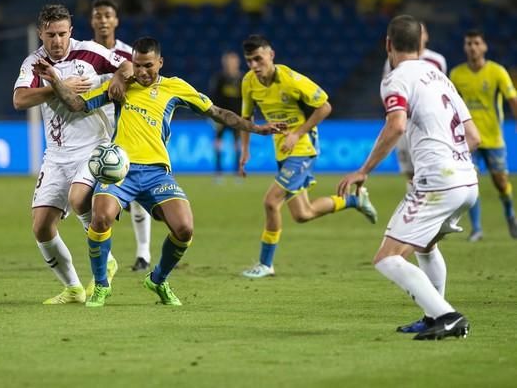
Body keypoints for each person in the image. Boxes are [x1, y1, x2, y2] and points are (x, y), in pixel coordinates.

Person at [33, 36, 284, 307]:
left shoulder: (175, 88)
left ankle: (158, 279)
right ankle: (101, 287)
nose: (142, 72)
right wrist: (56, 80)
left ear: (160, 63)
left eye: (148, 66)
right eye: (137, 65)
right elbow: (77, 104)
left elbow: (217, 112)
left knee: (184, 228)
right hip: (121, 171)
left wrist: (256, 129)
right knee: (101, 217)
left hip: (157, 173)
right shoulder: (120, 87)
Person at [337, 15, 480, 340]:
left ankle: (447, 316)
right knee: (426, 246)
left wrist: (363, 170)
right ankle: (433, 316)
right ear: (421, 44)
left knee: (386, 259)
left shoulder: (396, 77)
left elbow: (396, 125)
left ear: (388, 45)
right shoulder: (441, 78)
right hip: (467, 180)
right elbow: (474, 135)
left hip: (439, 181)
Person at [12, 4, 132, 305]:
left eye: (62, 34)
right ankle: (74, 288)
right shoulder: (35, 63)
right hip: (55, 154)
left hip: (93, 148)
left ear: (71, 32)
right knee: (41, 227)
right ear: (41, 33)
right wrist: (58, 87)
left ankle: (107, 259)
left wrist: (118, 78)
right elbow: (19, 99)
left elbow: (128, 65)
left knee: (80, 199)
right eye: (50, 35)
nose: (57, 41)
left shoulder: (90, 52)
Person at [239, 35, 378, 279]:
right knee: (303, 214)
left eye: (258, 59)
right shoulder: (248, 82)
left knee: (271, 202)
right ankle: (354, 201)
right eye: (249, 61)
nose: (254, 65)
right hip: (282, 150)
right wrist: (245, 150)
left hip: (303, 148)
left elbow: (325, 106)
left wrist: (297, 133)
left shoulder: (292, 80)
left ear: (271, 55)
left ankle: (265, 264)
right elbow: (246, 119)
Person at [90, 0, 153, 272]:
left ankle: (143, 254)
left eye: (108, 15)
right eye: (98, 15)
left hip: (123, 132)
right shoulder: (83, 54)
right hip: (91, 132)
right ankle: (106, 255)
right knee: (94, 198)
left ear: (116, 21)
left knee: (137, 196)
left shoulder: (131, 55)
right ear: (92, 21)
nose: (103, 20)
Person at [450, 29, 517, 242]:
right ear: (464, 47)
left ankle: (510, 214)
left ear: (484, 46)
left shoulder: (497, 72)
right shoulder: (456, 75)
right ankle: (476, 228)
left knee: (501, 182)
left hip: (493, 138)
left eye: (476, 43)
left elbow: (512, 99)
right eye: (468, 43)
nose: (472, 47)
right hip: (468, 140)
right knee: (471, 182)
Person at [383, 23, 447, 186]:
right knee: (409, 171)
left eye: (422, 32)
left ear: (426, 36)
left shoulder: (437, 60)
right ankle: (415, 200)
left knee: (431, 168)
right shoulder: (391, 61)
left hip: (429, 123)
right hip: (405, 121)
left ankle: (425, 202)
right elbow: (389, 88)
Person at [208, 51, 243, 179]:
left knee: (237, 144)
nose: (230, 64)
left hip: (237, 117)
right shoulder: (219, 79)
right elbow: (212, 98)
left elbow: (246, 100)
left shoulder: (241, 79)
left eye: (233, 61)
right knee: (218, 143)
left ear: (237, 63)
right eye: (228, 61)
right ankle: (218, 171)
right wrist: (212, 116)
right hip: (220, 117)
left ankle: (237, 170)